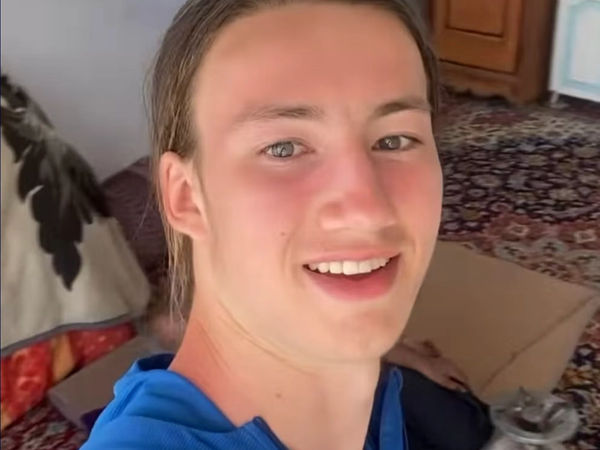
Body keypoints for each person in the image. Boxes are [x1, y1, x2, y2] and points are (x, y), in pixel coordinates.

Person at [82, 1, 492, 449]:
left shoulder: (366, 394)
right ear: (185, 197)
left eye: (395, 140)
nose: (368, 209)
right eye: (283, 149)